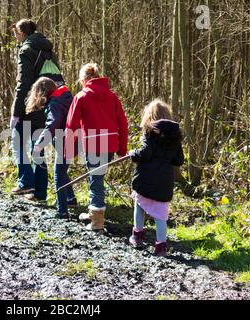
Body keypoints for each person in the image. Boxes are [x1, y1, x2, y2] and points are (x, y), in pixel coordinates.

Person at [65, 63, 128, 231]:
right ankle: (94, 212)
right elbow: (123, 122)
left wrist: (68, 150)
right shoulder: (112, 96)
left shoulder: (82, 96)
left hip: (93, 142)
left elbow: (71, 125)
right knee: (97, 178)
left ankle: (97, 221)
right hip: (110, 142)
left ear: (84, 79)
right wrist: (122, 149)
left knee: (96, 180)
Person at [9, 19, 63, 201]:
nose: (15, 37)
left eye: (15, 33)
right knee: (37, 146)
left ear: (22, 33)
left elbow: (23, 83)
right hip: (49, 104)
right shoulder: (48, 50)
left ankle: (25, 182)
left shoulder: (26, 50)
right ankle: (39, 193)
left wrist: (16, 112)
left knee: (17, 141)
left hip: (31, 104)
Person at [128, 99, 185, 257]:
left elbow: (145, 154)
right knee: (161, 216)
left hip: (145, 180)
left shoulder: (149, 134)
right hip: (164, 182)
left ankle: (137, 236)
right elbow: (179, 160)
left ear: (149, 116)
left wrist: (133, 154)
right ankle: (161, 247)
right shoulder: (174, 138)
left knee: (139, 205)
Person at [26, 77, 77, 218]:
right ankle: (70, 199)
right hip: (73, 138)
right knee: (62, 170)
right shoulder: (66, 96)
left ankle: (62, 211)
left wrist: (39, 144)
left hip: (65, 140)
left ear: (43, 92)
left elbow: (53, 124)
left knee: (58, 174)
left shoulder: (55, 102)